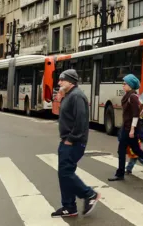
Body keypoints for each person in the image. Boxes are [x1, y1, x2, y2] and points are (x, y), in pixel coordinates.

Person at [51, 69, 100, 218]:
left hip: (73, 142)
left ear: (71, 81)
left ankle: (89, 194)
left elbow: (81, 121)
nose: (59, 82)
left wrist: (71, 139)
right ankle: (69, 206)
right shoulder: (69, 95)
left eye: (62, 80)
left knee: (66, 173)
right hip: (67, 141)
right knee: (64, 173)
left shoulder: (77, 96)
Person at [108, 74, 143, 181]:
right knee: (136, 150)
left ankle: (120, 173)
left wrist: (132, 129)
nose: (123, 85)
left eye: (125, 83)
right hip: (127, 127)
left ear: (130, 85)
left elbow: (136, 115)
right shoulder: (128, 96)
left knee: (122, 150)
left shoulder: (132, 97)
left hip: (130, 129)